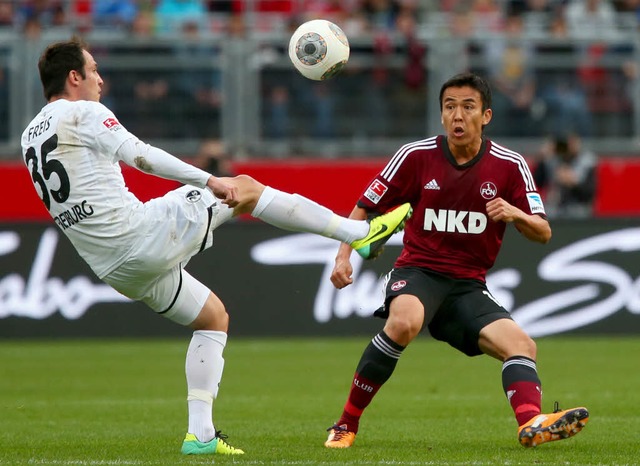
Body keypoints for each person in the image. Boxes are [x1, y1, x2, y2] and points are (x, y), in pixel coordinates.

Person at [21, 37, 411, 457]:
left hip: (113, 268)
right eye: (93, 70)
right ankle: (359, 236)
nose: (101, 78)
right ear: (74, 77)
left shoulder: (29, 135)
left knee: (212, 318)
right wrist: (209, 179)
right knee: (244, 187)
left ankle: (201, 436)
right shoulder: (83, 111)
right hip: (140, 235)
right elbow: (142, 157)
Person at [324, 72, 589, 449]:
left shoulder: (509, 165)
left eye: (468, 107)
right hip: (418, 273)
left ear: (486, 116)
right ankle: (345, 424)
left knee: (523, 345)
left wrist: (515, 214)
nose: (458, 116)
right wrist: (342, 256)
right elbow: (363, 208)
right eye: (450, 107)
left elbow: (542, 232)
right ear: (442, 115)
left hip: (468, 286)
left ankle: (531, 423)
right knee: (404, 322)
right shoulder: (415, 156)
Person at [533, 133, 597, 218]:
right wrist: (541, 159)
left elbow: (589, 194)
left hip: (579, 209)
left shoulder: (586, 162)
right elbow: (536, 182)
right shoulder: (552, 160)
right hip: (554, 209)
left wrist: (573, 182)